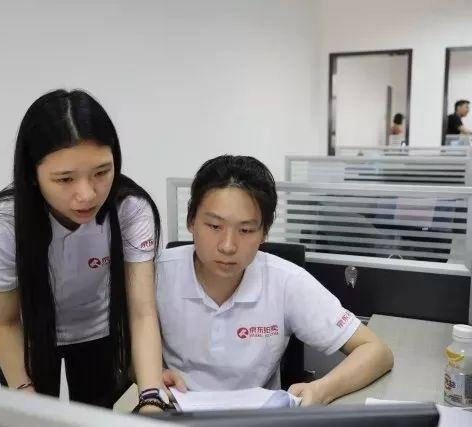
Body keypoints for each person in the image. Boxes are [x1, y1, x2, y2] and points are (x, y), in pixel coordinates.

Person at [0, 89, 182, 411]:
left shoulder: (130, 209)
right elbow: (6, 324)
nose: (87, 195)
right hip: (31, 335)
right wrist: (24, 394)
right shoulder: (1, 228)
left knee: (98, 414)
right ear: (32, 174)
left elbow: (142, 312)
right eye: (65, 179)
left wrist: (151, 395)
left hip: (100, 331)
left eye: (101, 172)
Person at [155, 155, 394, 406]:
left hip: (260, 418)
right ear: (191, 221)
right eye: (214, 226)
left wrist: (322, 390)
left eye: (246, 230)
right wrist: (149, 376)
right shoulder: (157, 274)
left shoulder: (285, 280)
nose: (227, 246)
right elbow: (129, 357)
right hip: (173, 414)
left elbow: (377, 352)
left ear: (264, 233)